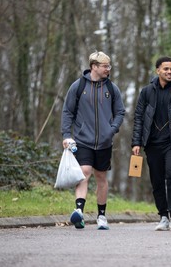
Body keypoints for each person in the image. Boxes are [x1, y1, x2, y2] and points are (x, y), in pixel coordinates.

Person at [61, 51, 125, 230]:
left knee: (101, 177)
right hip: (83, 140)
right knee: (84, 171)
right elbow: (67, 111)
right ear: (94, 67)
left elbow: (120, 112)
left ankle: (101, 216)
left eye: (109, 66)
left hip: (105, 142)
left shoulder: (112, 88)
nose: (108, 69)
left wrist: (112, 130)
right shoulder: (78, 86)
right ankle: (79, 211)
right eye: (105, 66)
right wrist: (66, 135)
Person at [131, 56, 171, 231]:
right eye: (166, 69)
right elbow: (138, 118)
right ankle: (163, 216)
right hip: (152, 143)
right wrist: (136, 142)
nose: (170, 72)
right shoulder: (146, 92)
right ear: (157, 70)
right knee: (157, 180)